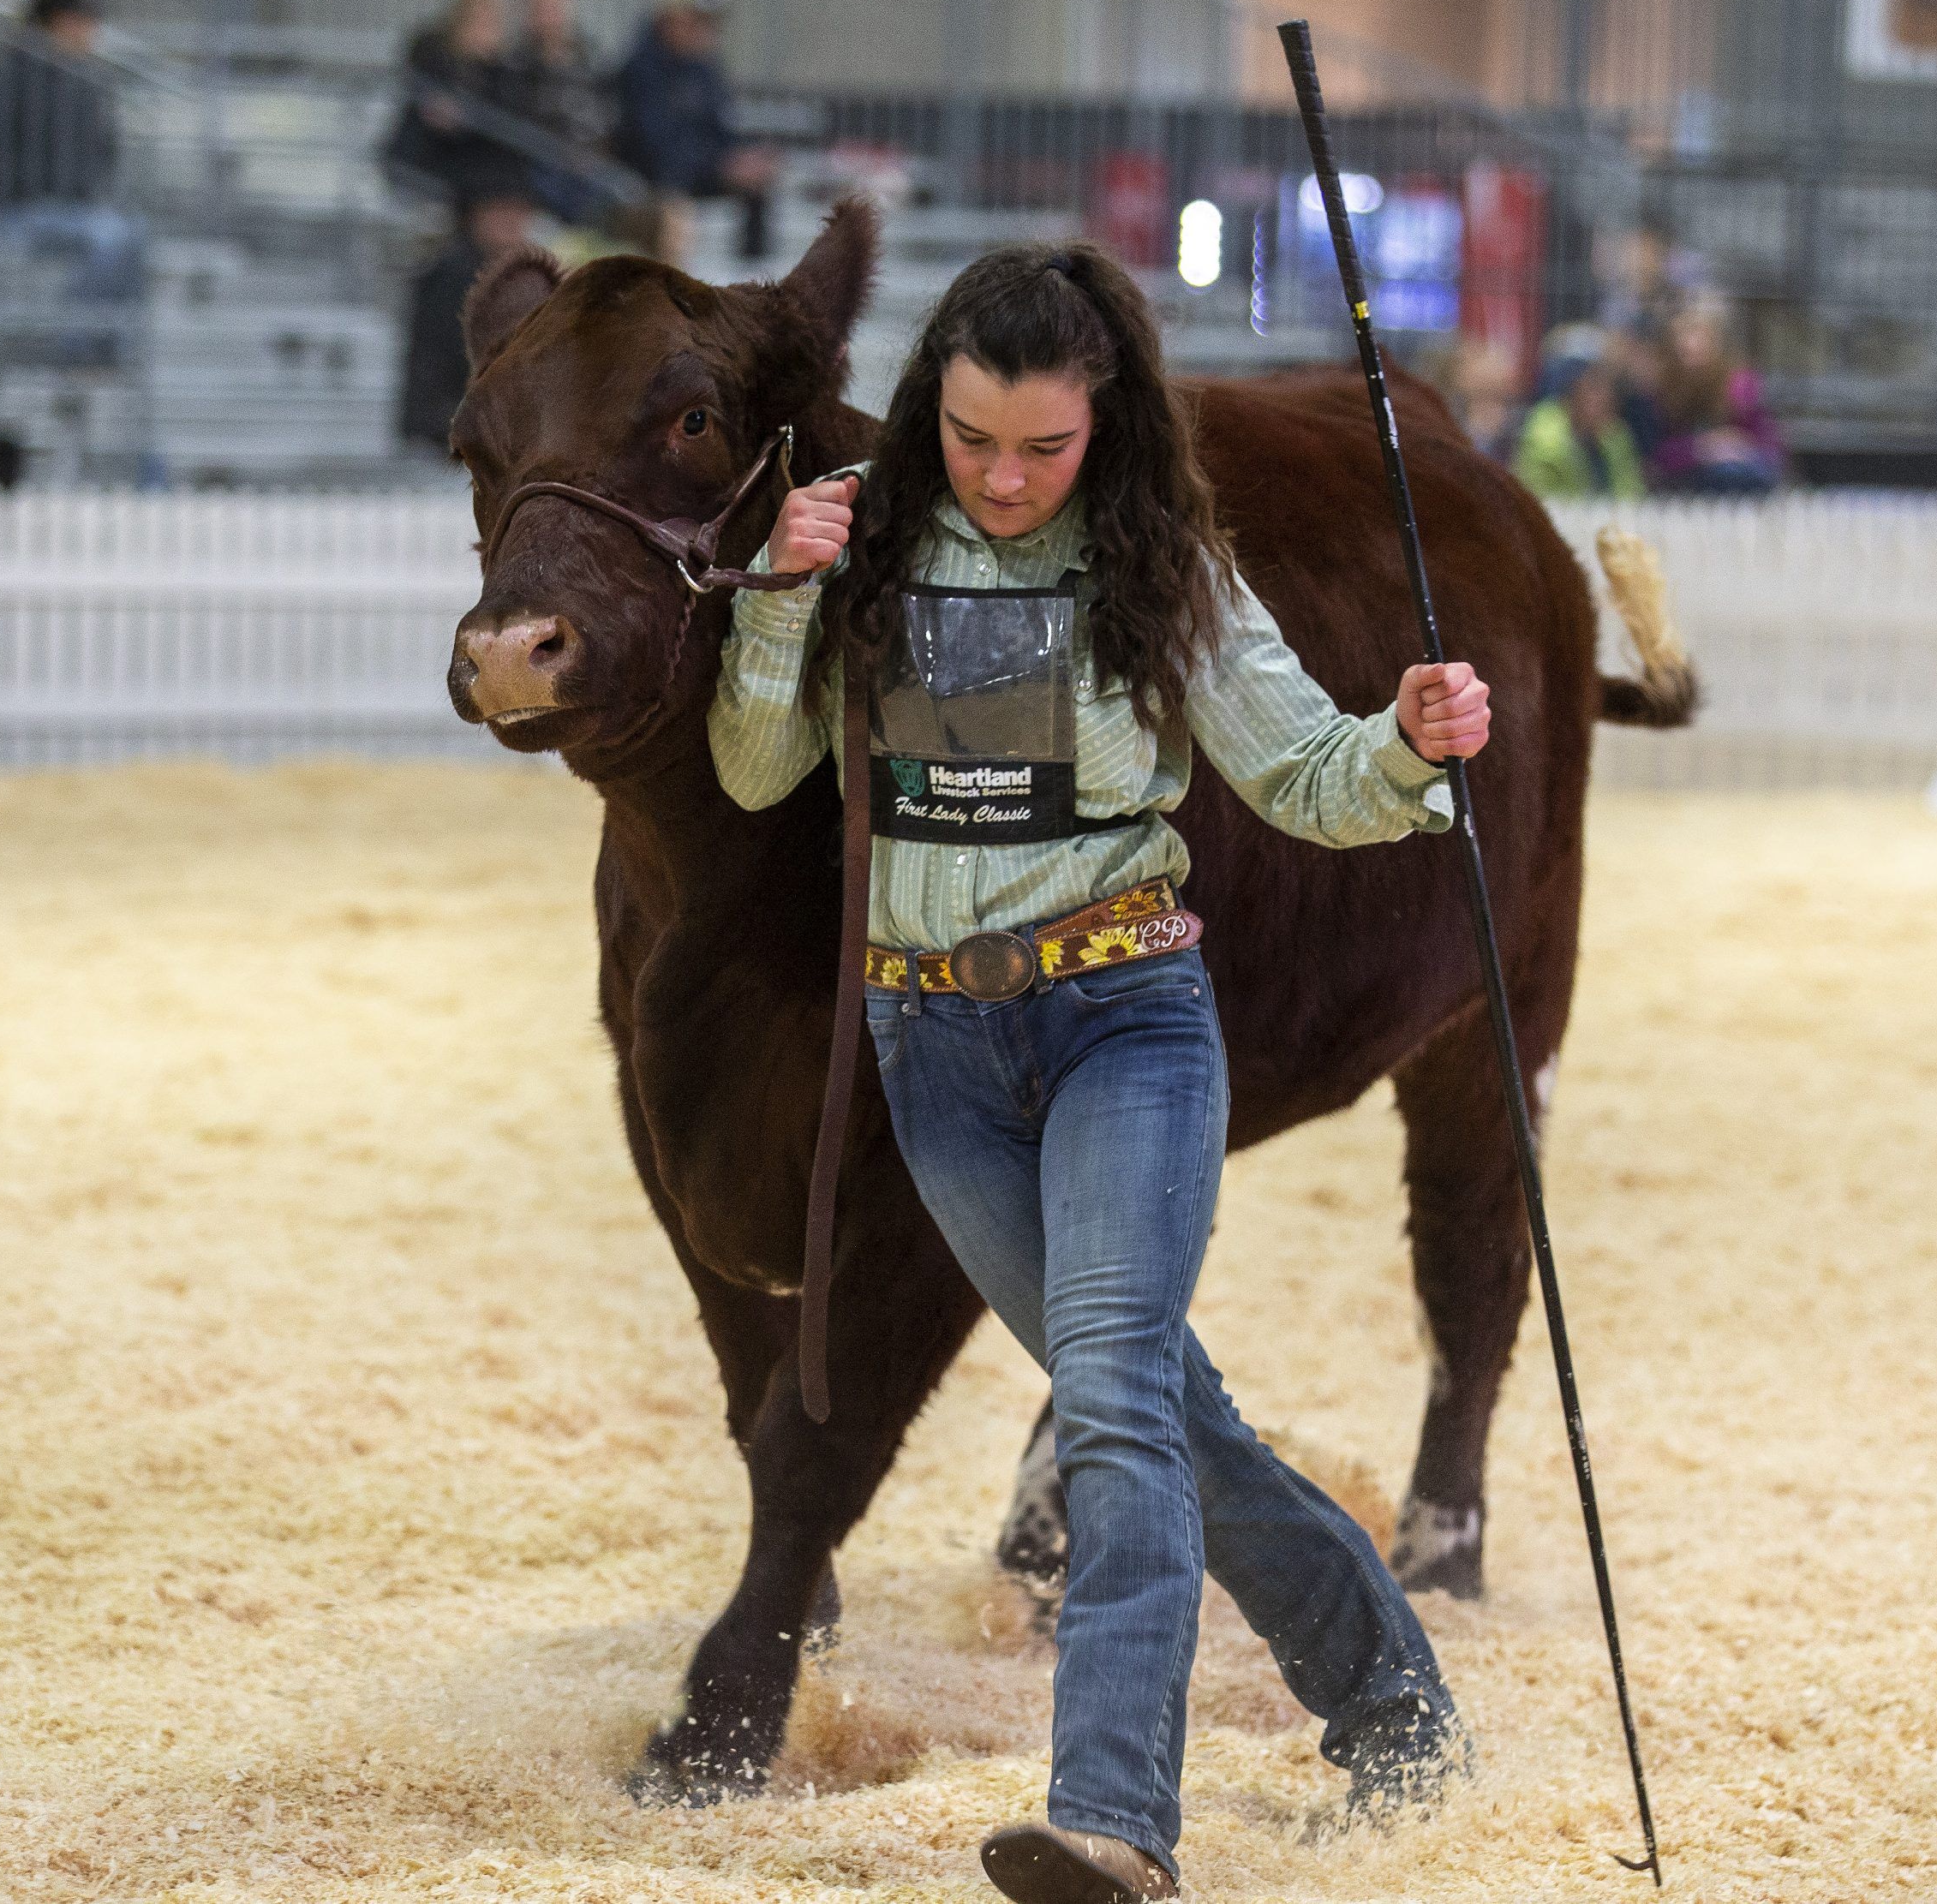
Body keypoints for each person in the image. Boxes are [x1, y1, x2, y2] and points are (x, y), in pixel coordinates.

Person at [708, 243, 1488, 1903]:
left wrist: (1410, 745)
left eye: (1042, 447)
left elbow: (1308, 774)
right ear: (933, 411)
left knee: (1118, 1401)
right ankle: (1394, 1703)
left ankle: (1112, 1819)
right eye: (975, 438)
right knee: (1179, 1417)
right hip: (937, 1050)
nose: (1002, 477)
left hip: (1122, 1018)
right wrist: (775, 591)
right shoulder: (861, 550)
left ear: (1107, 426)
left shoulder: (1167, 570)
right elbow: (755, 761)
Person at [0, 0, 144, 306]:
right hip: (21, 207)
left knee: (133, 235)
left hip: (69, 206)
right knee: (108, 238)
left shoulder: (83, 78)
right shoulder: (12, 75)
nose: (94, 35)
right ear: (63, 22)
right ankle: (78, 345)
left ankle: (111, 345)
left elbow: (103, 151)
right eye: (88, 24)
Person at [607, 0, 776, 261]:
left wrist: (742, 158)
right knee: (675, 213)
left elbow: (721, 129)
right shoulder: (641, 70)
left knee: (758, 182)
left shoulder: (706, 69)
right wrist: (720, 165)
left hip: (697, 171)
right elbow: (654, 146)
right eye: (697, 20)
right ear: (671, 20)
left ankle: (752, 275)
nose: (706, 30)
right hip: (651, 181)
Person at [397, 173, 537, 452]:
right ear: (477, 215)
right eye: (502, 211)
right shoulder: (455, 274)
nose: (513, 221)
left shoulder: (516, 272)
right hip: (450, 424)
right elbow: (444, 359)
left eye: (519, 211)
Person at [384, 0, 529, 204]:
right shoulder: (432, 52)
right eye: (476, 18)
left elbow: (501, 113)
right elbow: (423, 86)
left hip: (471, 155)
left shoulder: (502, 69)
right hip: (428, 150)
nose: (482, 26)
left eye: (489, 19)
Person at [1650, 299, 1786, 495]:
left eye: (1700, 340)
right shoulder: (1664, 390)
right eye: (1685, 342)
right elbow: (1656, 458)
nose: (1693, 349)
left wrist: (1736, 446)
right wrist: (1703, 446)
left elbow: (1770, 451)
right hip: (1689, 482)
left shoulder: (1738, 386)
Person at [502, 0, 607, 223]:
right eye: (540, 10)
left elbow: (606, 111)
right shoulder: (514, 63)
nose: (548, 18)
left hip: (592, 163)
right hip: (540, 164)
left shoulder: (589, 58)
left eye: (554, 8)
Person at [1510, 335, 1648, 501]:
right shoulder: (1544, 442)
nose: (1606, 396)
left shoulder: (1615, 436)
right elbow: (1542, 503)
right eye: (1593, 386)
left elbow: (1632, 495)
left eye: (1608, 386)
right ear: (1569, 392)